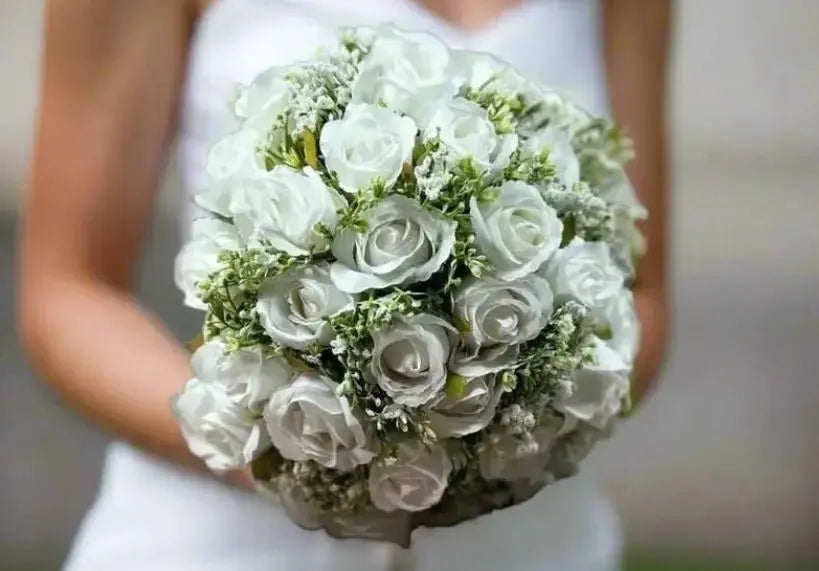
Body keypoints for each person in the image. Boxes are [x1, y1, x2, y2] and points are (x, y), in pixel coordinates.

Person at [18, 0, 670, 569]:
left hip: (529, 541)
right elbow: (69, 293)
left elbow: (638, 294)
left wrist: (507, 436)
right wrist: (292, 455)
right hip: (223, 539)